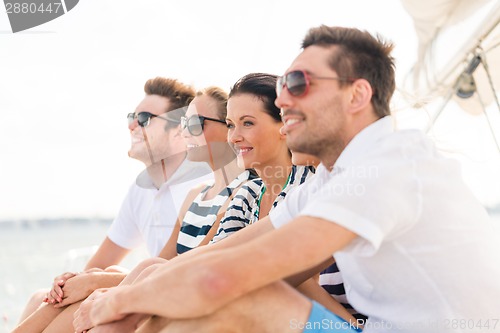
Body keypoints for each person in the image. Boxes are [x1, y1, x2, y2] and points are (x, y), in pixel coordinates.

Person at [75, 25, 500, 333]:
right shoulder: (333, 178)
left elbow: (224, 278)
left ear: (357, 95)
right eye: (282, 86)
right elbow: (212, 257)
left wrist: (118, 301)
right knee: (165, 281)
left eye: (298, 83)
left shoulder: (388, 167)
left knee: (242, 297)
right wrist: (135, 290)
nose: (282, 98)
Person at [15, 77, 212, 327]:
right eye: (132, 118)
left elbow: (179, 274)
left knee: (94, 288)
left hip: (170, 299)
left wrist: (95, 281)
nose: (132, 127)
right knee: (38, 298)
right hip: (147, 285)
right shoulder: (142, 189)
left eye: (144, 120)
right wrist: (70, 280)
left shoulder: (202, 186)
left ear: (178, 131)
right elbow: (99, 264)